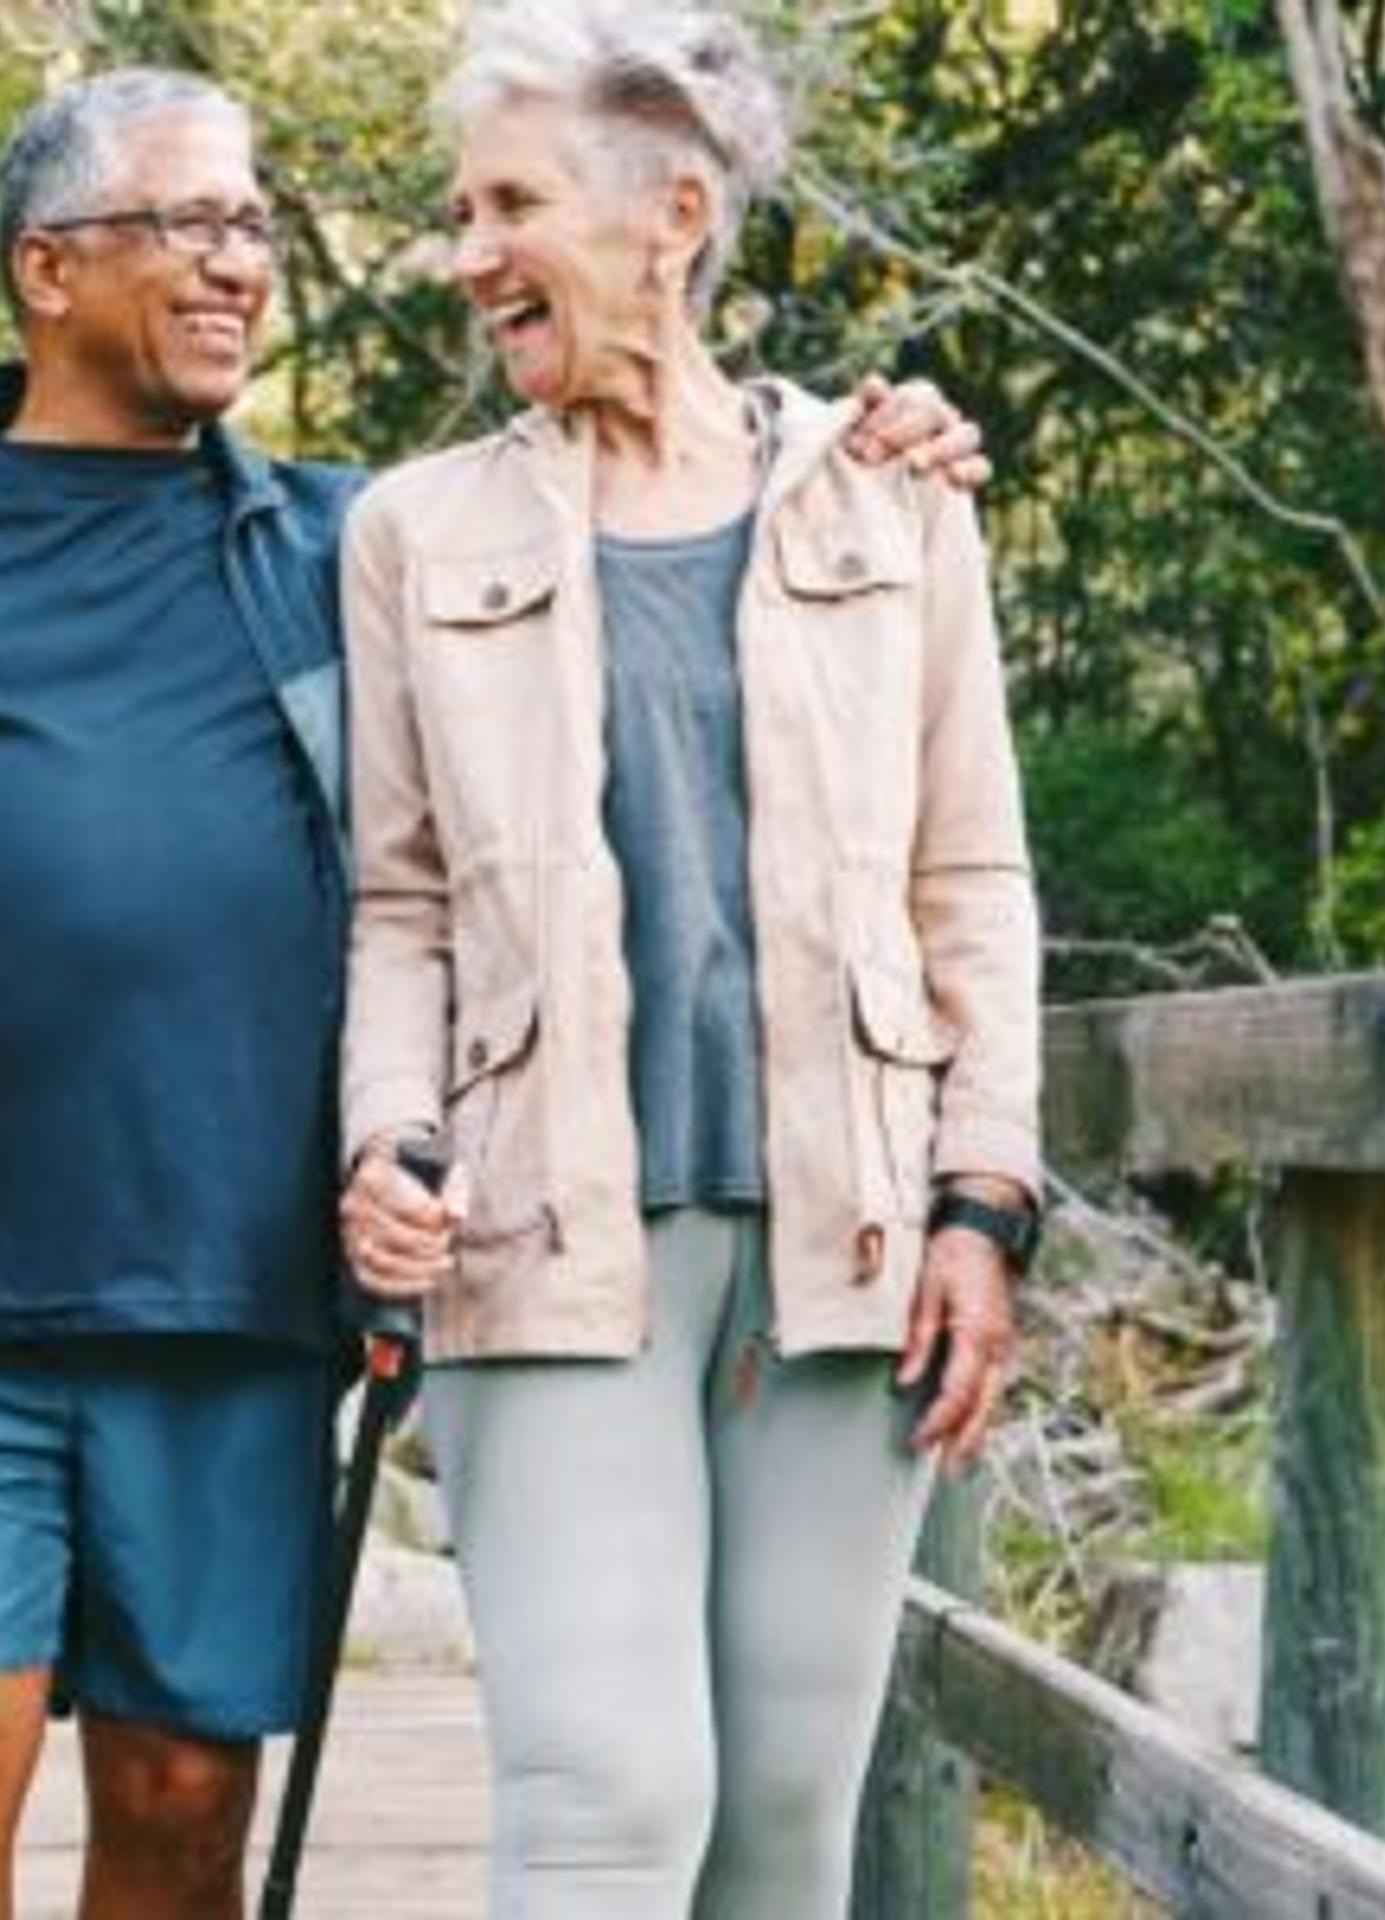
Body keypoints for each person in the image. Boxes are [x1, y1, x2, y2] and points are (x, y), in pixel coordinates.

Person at [0, 62, 988, 1918]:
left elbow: (569, 690)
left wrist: (866, 445)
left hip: (234, 1295)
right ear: (47, 269)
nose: (243, 269)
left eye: (257, 231)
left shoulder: (350, 543)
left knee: (182, 1796)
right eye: (195, 225)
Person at [332, 5, 1044, 1916]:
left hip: (852, 1246)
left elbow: (970, 873)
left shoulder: (892, 497)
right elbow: (397, 900)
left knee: (784, 1818)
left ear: (673, 213)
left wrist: (990, 1202)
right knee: (608, 1797)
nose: (470, 254)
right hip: (542, 1233)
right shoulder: (417, 530)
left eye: (509, 204)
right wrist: (381, 1136)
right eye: (460, 209)